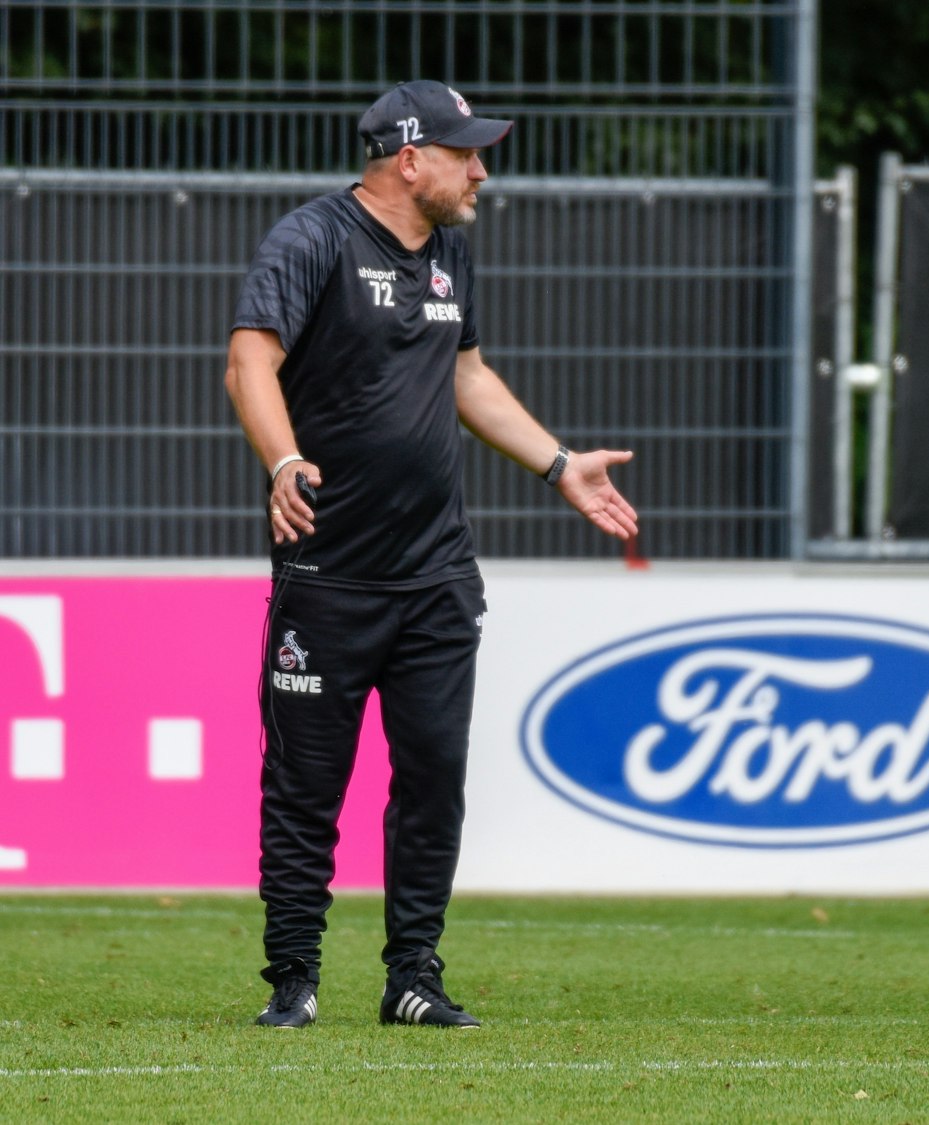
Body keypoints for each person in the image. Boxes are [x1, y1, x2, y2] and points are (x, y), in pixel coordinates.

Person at [225, 80, 639, 1029]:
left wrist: (560, 464)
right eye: (466, 152)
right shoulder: (312, 238)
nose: (482, 169)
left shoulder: (450, 248)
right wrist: (285, 459)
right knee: (305, 788)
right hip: (329, 573)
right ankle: (294, 977)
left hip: (438, 576)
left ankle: (413, 976)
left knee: (433, 782)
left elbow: (467, 374)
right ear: (410, 158)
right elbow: (250, 357)